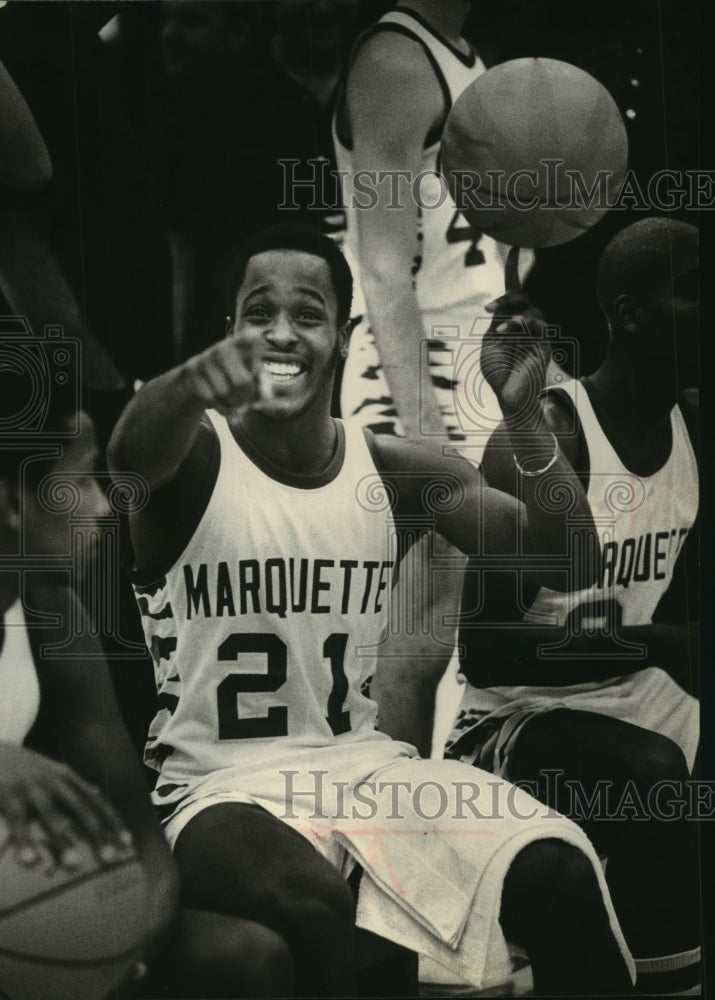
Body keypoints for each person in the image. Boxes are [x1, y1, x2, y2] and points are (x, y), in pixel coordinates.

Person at [108, 223, 635, 997]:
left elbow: (563, 560)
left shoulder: (391, 470)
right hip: (216, 789)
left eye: (307, 314)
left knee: (553, 869)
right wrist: (191, 381)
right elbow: (129, 456)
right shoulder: (194, 456)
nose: (281, 332)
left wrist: (522, 418)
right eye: (258, 313)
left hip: (359, 768)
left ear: (346, 336)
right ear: (229, 332)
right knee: (309, 904)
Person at [446, 217, 701, 995]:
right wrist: (651, 646)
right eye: (696, 293)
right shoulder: (547, 436)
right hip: (511, 729)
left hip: (644, 716)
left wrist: (667, 648)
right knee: (653, 774)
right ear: (627, 314)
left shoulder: (697, 422)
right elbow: (484, 648)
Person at [0, 382, 294, 998]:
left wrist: (127, 954)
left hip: (26, 900)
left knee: (252, 959)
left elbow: (140, 833)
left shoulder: (52, 612)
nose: (104, 508)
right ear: (11, 503)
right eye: (80, 482)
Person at [332, 0, 532, 727]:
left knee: (437, 633)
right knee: (406, 639)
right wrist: (425, 428)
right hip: (411, 365)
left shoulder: (464, 53)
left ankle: (412, 820)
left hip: (471, 356)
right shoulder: (395, 58)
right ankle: (374, 835)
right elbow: (382, 268)